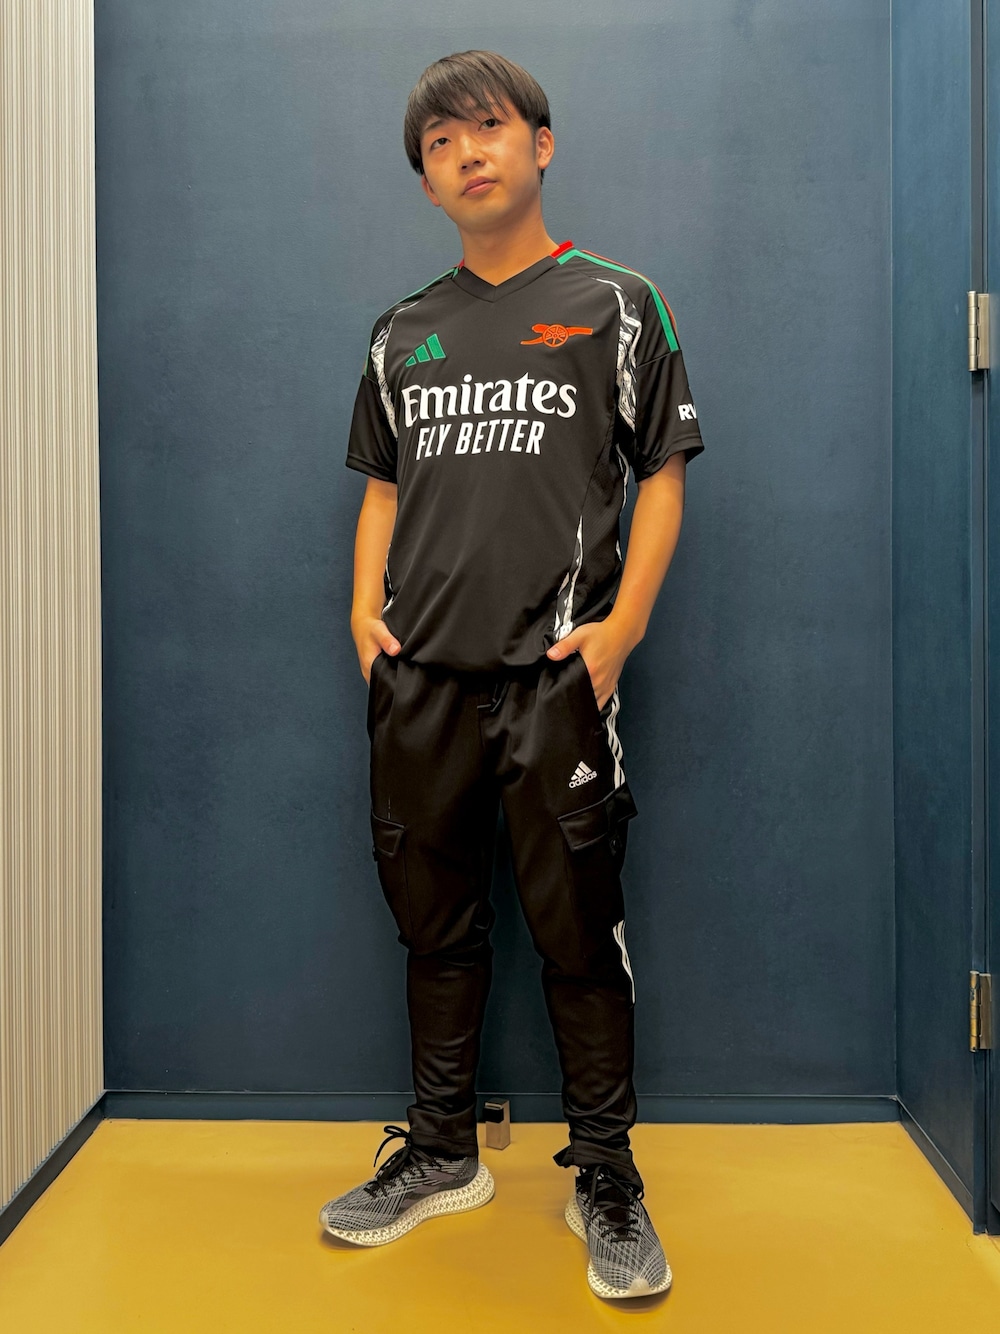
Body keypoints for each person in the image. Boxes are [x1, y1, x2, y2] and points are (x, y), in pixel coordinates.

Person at [319, 49, 704, 1301]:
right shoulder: (401, 331)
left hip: (555, 683)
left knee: (578, 933)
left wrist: (622, 627)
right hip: (419, 683)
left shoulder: (618, 304)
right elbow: (383, 491)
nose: (464, 154)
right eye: (438, 144)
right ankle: (441, 1152)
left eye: (484, 128)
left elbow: (661, 475)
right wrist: (362, 611)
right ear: (426, 181)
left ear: (540, 143)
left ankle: (606, 1173)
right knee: (433, 925)